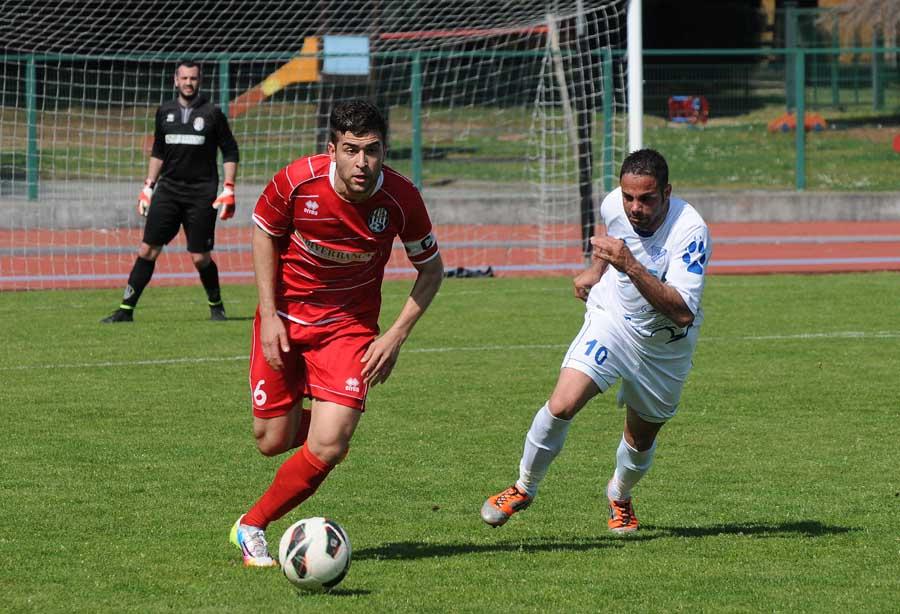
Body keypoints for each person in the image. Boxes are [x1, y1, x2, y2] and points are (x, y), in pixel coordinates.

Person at [230, 99, 444, 566]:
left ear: (384, 151)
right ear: (332, 149)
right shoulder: (295, 181)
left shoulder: (401, 199)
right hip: (285, 321)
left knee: (329, 444)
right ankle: (327, 434)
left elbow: (431, 270)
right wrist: (268, 313)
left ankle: (251, 526)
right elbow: (264, 232)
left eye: (372, 150)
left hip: (348, 331)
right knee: (270, 441)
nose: (362, 163)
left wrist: (394, 336)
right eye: (351, 150)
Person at [481, 149, 711, 533]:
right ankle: (523, 487)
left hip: (665, 347)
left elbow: (683, 311)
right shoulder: (613, 206)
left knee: (639, 441)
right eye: (628, 197)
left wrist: (629, 265)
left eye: (647, 198)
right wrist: (595, 270)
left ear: (667, 193)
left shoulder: (691, 229)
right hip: (614, 321)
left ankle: (619, 496)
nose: (635, 207)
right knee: (562, 404)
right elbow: (612, 241)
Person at [101, 60, 239, 323]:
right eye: (184, 78)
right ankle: (125, 310)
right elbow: (158, 152)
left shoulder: (212, 113)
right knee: (147, 250)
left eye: (194, 79)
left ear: (200, 81)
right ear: (176, 81)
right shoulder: (164, 112)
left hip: (202, 193)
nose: (189, 83)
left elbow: (230, 150)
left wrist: (229, 188)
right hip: (168, 191)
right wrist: (148, 186)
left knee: (200, 258)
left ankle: (216, 306)